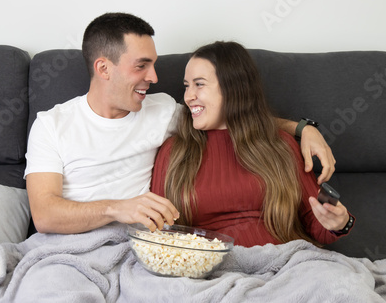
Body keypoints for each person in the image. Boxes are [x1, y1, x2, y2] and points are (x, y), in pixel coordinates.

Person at [24, 12, 336, 235]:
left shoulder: (162, 111)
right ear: (104, 68)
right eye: (141, 66)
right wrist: (117, 208)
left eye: (154, 64)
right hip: (74, 245)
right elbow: (45, 215)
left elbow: (233, 116)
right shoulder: (52, 125)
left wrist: (302, 128)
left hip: (137, 248)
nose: (155, 78)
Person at [151, 41, 354, 247]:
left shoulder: (280, 145)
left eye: (199, 84)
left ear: (233, 88)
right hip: (213, 269)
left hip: (285, 262)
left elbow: (314, 222)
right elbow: (162, 234)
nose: (188, 96)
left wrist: (339, 222)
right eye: (187, 86)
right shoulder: (173, 152)